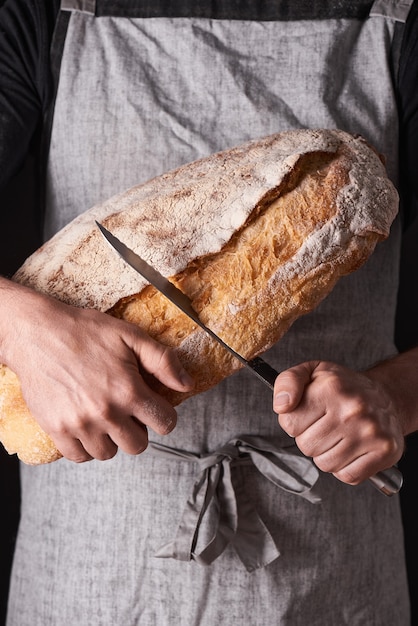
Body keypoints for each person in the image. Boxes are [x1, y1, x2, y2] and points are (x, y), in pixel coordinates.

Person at [1, 0, 417, 623]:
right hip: (93, 568)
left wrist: (395, 396)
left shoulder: (398, 23)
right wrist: (18, 322)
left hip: (329, 560)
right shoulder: (46, 16)